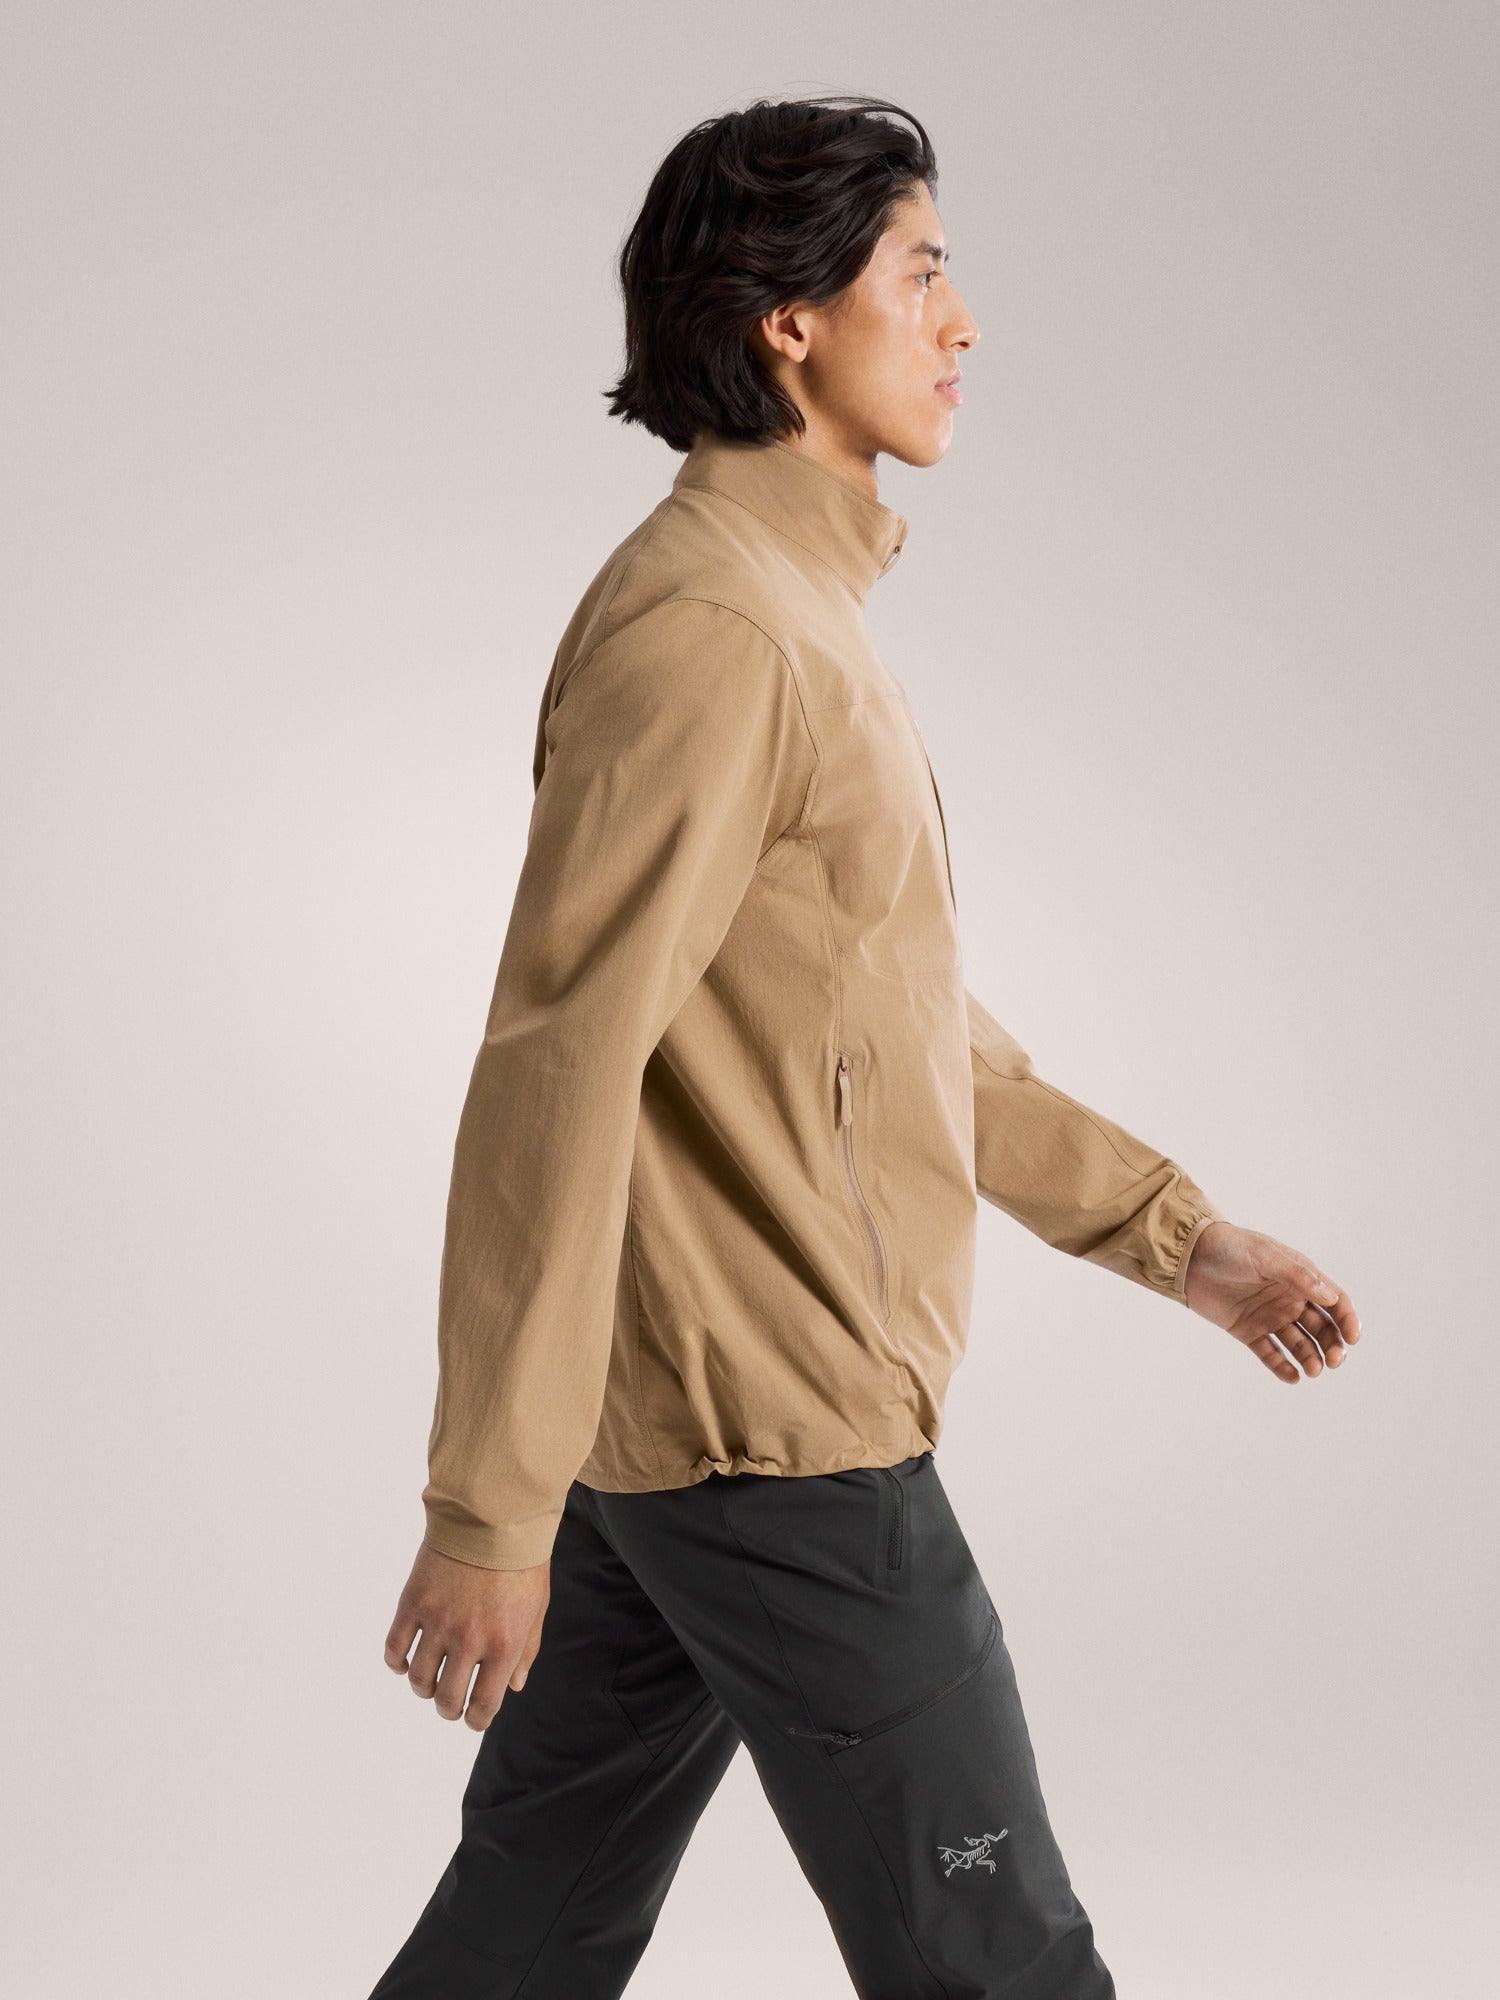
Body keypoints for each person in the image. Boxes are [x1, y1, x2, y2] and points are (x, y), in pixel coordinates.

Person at [368, 95, 1361, 2000]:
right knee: (1002, 1959)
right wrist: (483, 1502)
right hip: (782, 1446)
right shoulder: (718, 630)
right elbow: (561, 1064)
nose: (964, 321)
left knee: (523, 1936)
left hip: (686, 1441)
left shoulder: (790, 610)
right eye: (921, 273)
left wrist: (1183, 1239)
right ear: (789, 324)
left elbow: (884, 1020)